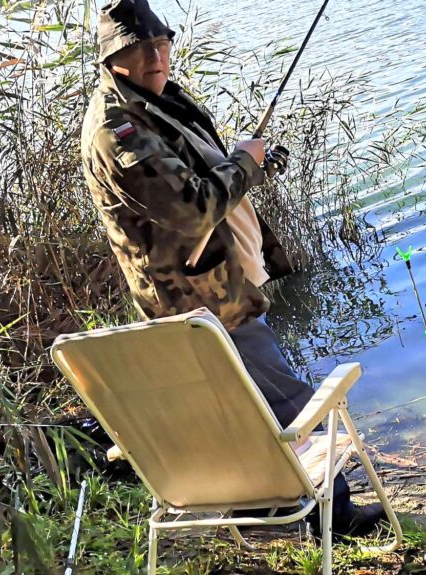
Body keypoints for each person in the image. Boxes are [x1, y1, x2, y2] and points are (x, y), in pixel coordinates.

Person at [79, 0, 384, 536]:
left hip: (220, 285)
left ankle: (265, 510)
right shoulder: (117, 128)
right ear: (112, 57)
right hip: (199, 301)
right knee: (290, 402)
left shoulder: (160, 102)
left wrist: (252, 165)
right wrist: (245, 162)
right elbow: (192, 207)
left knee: (243, 406)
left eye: (162, 44)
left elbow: (201, 180)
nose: (155, 57)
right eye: (139, 49)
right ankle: (334, 517)